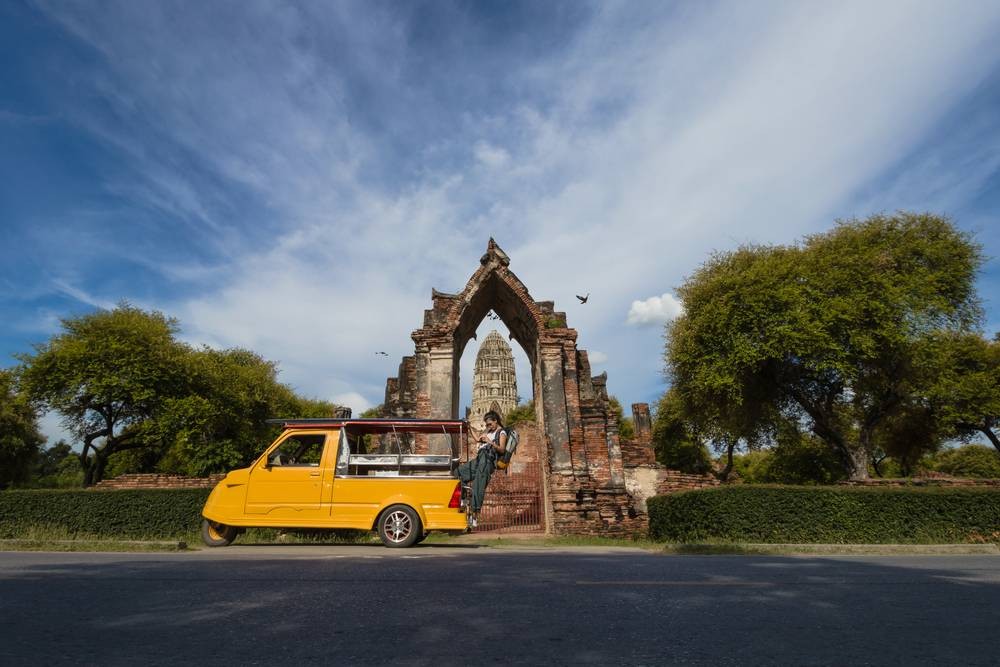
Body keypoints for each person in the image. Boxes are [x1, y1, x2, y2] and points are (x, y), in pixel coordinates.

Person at [455, 410, 508, 528]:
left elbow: (502, 449)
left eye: (490, 424)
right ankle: (463, 498)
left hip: (488, 460)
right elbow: (477, 439)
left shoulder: (501, 433)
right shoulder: (488, 431)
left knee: (478, 485)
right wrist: (469, 428)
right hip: (479, 458)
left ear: (496, 421)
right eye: (487, 424)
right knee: (457, 473)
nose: (488, 426)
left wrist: (490, 442)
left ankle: (474, 515)